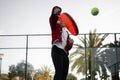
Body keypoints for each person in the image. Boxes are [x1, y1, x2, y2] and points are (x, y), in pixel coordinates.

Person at [49, 6, 74, 80]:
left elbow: (68, 47)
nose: (59, 12)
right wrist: (56, 12)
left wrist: (71, 44)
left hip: (64, 53)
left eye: (60, 11)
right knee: (59, 72)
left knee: (64, 74)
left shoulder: (66, 32)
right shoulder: (55, 26)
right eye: (57, 11)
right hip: (56, 50)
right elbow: (53, 18)